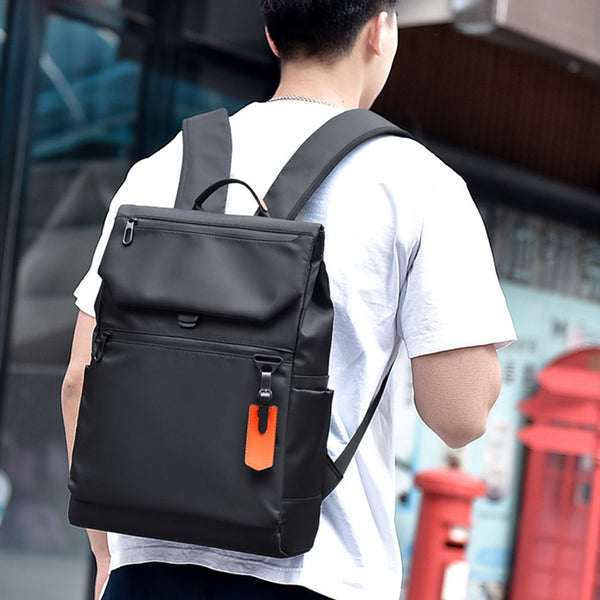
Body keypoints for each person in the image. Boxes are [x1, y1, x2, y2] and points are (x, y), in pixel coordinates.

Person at [61, 1, 516, 599]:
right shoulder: (421, 185)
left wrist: (107, 552)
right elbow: (458, 417)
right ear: (380, 32)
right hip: (319, 575)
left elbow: (80, 381)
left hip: (148, 569)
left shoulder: (160, 166)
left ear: (272, 36)